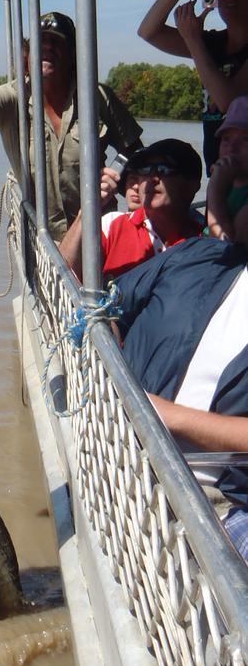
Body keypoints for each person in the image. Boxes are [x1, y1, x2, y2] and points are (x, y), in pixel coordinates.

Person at [0, 11, 143, 240]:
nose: (47, 47)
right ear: (27, 56)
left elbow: (135, 153)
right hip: (42, 242)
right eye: (41, 42)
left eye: (56, 42)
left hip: (98, 232)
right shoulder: (13, 97)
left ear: (73, 54)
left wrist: (123, 183)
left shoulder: (97, 96)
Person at [115, 237, 248, 559]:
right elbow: (107, 307)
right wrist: (110, 368)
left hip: (220, 501)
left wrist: (166, 415)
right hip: (117, 452)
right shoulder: (198, 255)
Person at [138, 0, 248, 174]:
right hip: (219, 172)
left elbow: (229, 102)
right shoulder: (213, 44)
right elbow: (148, 31)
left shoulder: (200, 43)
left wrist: (193, 40)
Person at [59, 139, 203, 281]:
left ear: (191, 185)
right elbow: (59, 276)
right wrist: (87, 211)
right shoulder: (111, 226)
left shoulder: (203, 239)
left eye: (163, 170)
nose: (151, 178)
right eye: (145, 169)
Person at [206, 94, 248, 244]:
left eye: (245, 139)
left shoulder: (220, 186)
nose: (231, 148)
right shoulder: (227, 185)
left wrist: (215, 188)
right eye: (226, 139)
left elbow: (226, 250)